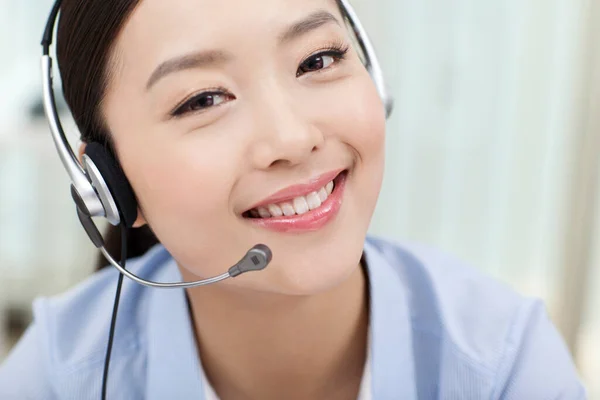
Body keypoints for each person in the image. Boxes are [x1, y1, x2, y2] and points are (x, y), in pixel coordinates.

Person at [0, 0, 586, 398]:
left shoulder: (501, 365)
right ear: (109, 182)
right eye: (204, 99)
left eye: (318, 60)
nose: (291, 138)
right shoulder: (56, 378)